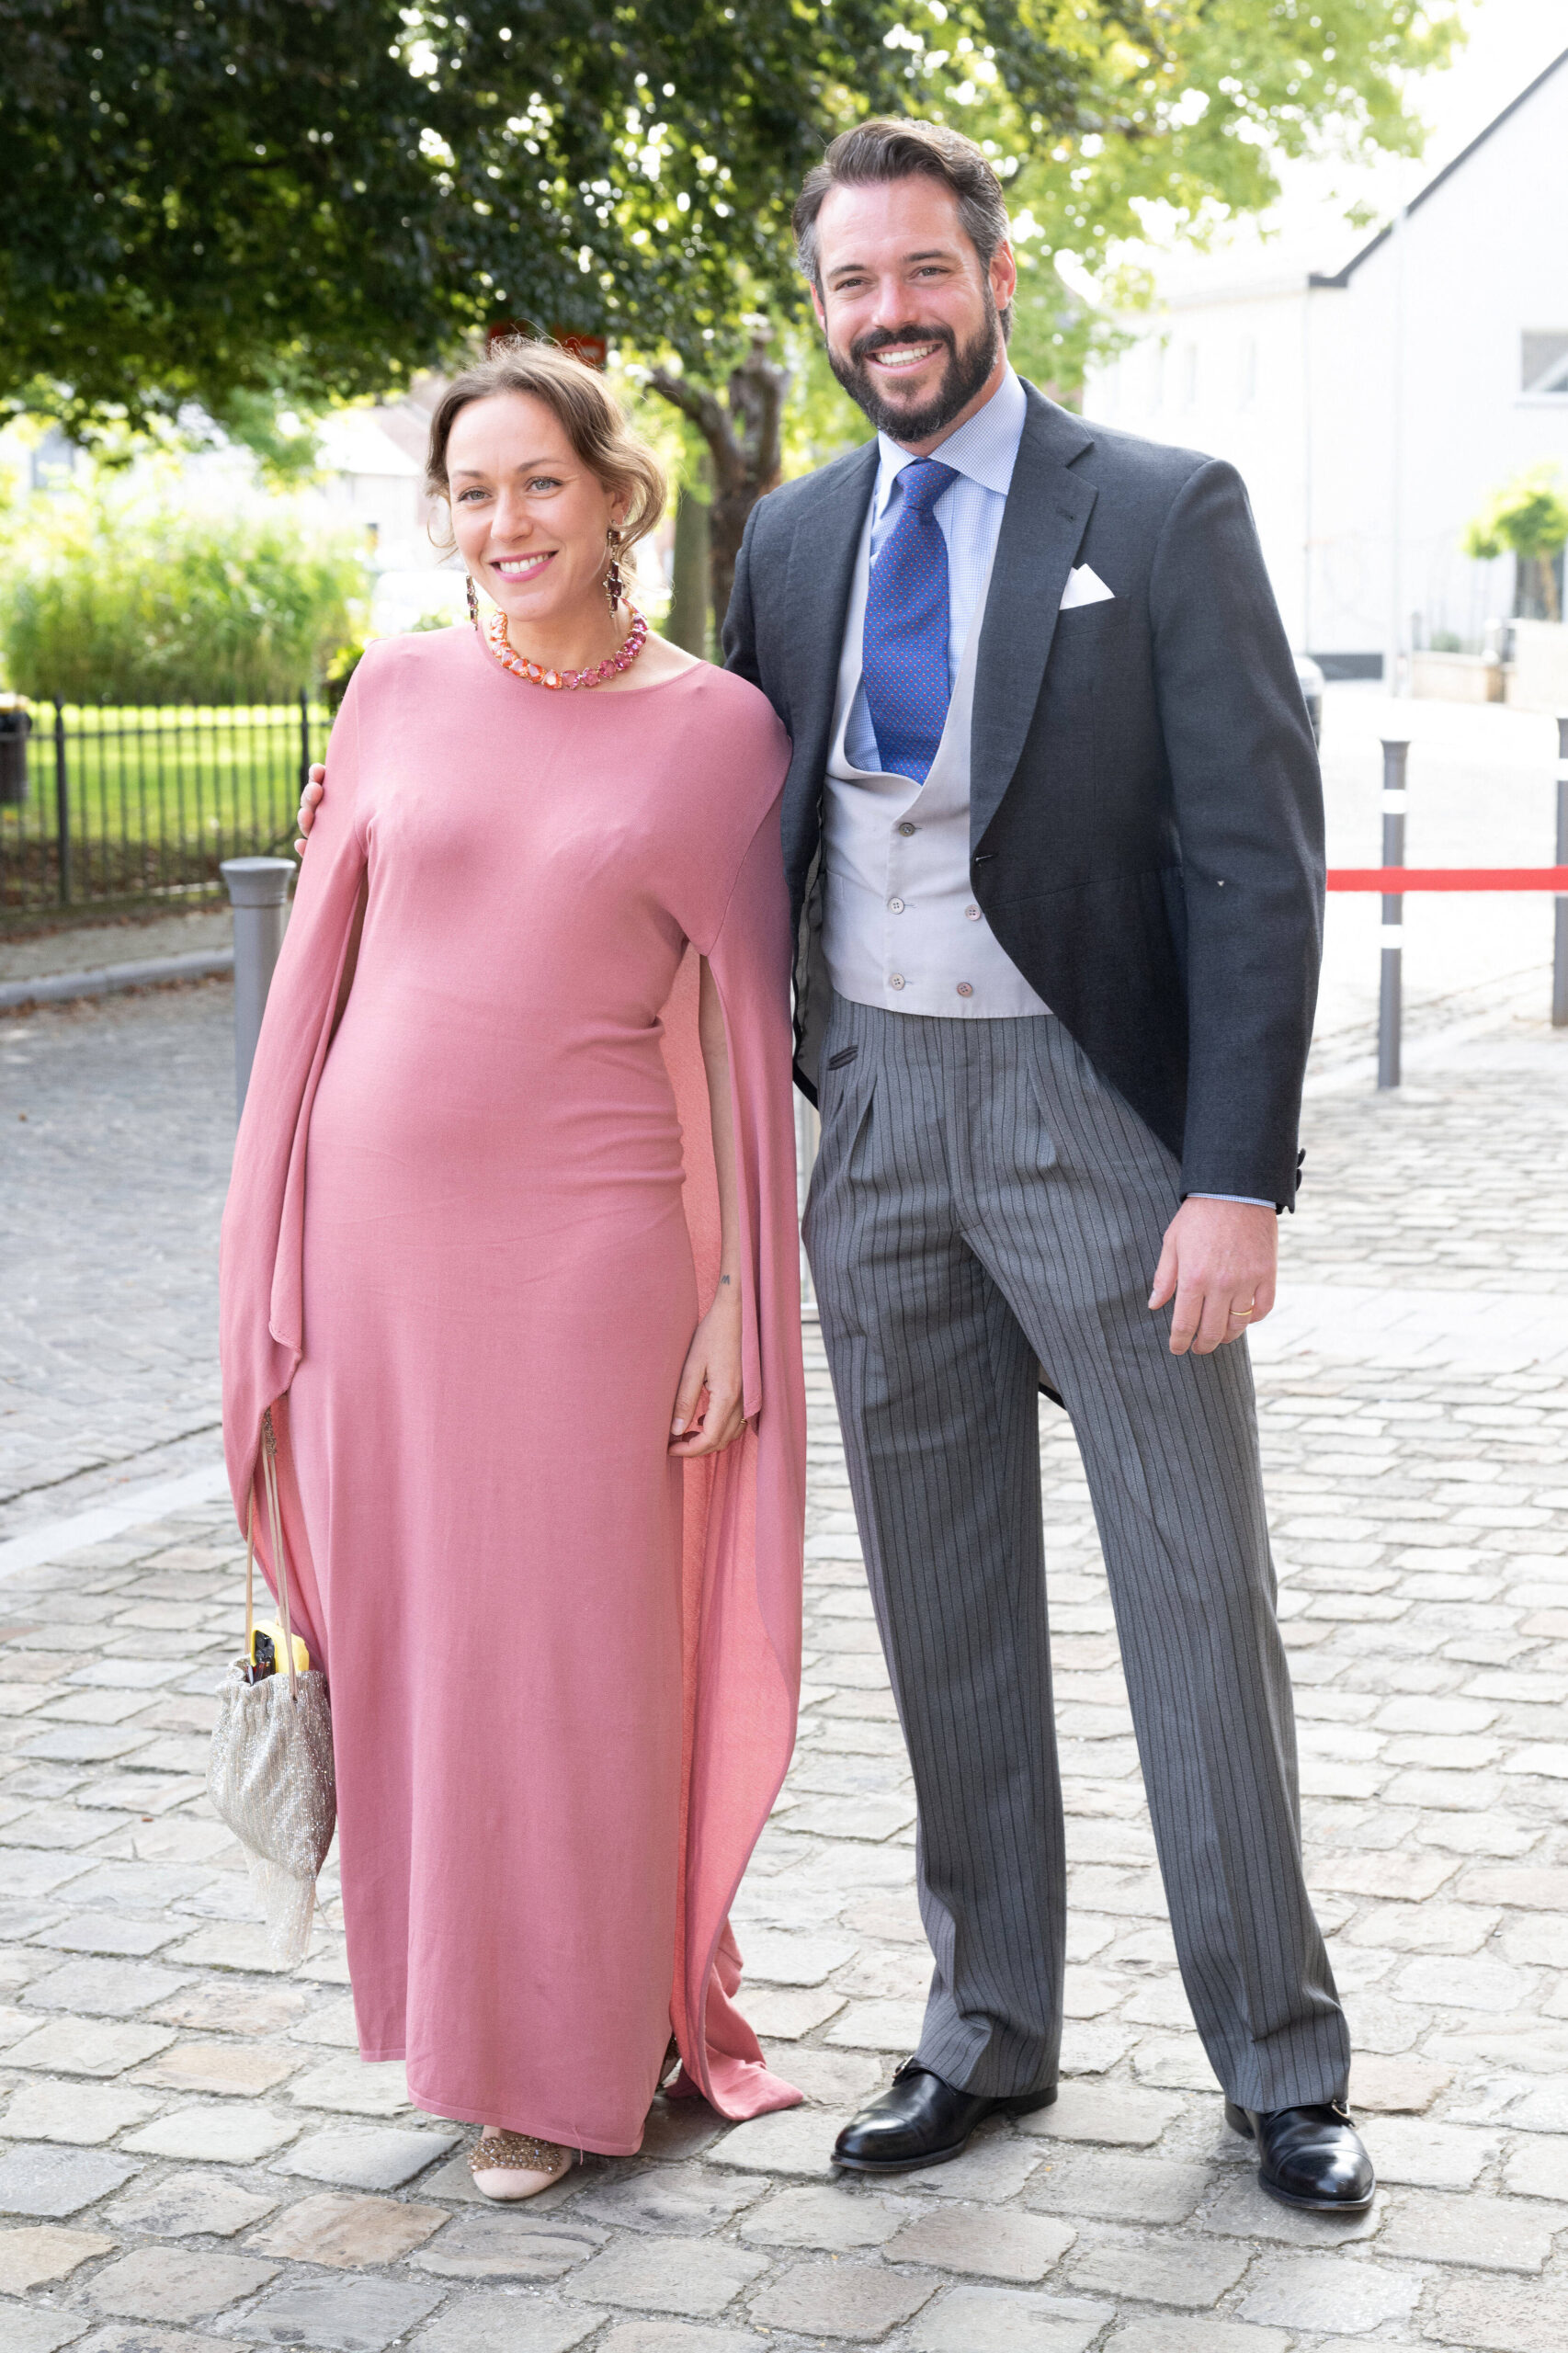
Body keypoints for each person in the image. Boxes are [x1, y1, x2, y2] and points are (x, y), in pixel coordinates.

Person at [300, 123, 1374, 2217]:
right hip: (874, 1129)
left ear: (989, 272)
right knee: (942, 1601)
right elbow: (713, 853)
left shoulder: (1156, 512)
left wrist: (1233, 1174)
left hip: (1103, 1127)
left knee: (1189, 1597)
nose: (886, 314)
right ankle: (985, 2030)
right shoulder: (790, 544)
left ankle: (1278, 2063)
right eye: (848, 285)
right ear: (822, 306)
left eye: (918, 275)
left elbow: (1255, 864)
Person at [222, 342, 807, 2202]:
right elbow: (329, 955)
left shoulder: (719, 728)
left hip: (591, 1252)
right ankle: (474, 2028)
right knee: (416, 1654)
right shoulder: (390, 694)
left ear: (614, 492)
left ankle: (579, 2050)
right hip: (377, 1247)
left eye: (537, 484)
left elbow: (731, 1027)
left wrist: (731, 1291)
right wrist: (276, 1240)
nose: (503, 524)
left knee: (565, 1653)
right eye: (471, 493)